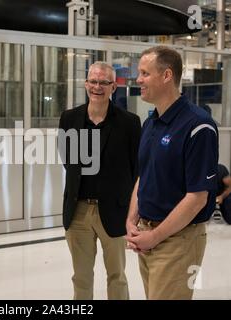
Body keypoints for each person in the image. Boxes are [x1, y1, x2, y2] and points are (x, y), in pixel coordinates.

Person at [126, 46, 218, 300]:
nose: (138, 80)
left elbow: (197, 197)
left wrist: (155, 236)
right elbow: (143, 175)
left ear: (167, 76)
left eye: (145, 73)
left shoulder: (198, 125)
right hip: (147, 235)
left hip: (178, 241)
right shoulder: (151, 122)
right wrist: (132, 220)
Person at [58, 61, 141, 300]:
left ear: (113, 87)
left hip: (115, 210)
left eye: (104, 82)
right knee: (81, 278)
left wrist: (132, 214)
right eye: (93, 81)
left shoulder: (129, 123)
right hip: (78, 212)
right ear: (86, 84)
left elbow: (137, 170)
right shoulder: (69, 119)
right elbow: (67, 160)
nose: (97, 87)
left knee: (117, 275)